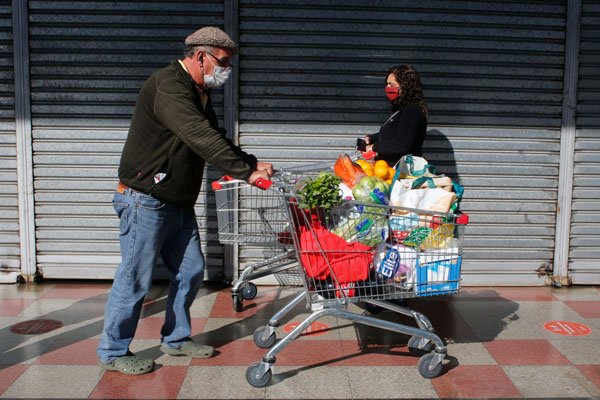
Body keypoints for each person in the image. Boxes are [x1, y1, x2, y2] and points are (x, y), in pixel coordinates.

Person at [96, 26, 274, 375]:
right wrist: (245, 172)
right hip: (144, 199)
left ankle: (175, 339)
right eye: (222, 63)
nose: (225, 71)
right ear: (200, 56)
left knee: (191, 270)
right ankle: (113, 350)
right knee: (134, 278)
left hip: (176, 202)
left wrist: (251, 162)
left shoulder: (197, 91)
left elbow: (214, 136)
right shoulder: (169, 86)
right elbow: (199, 137)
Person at [363, 65, 428, 166]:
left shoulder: (412, 111)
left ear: (404, 86)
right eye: (387, 84)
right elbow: (395, 133)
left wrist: (374, 147)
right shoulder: (401, 108)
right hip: (390, 170)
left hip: (402, 173)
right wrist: (372, 138)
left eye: (391, 84)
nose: (388, 88)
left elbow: (401, 144)